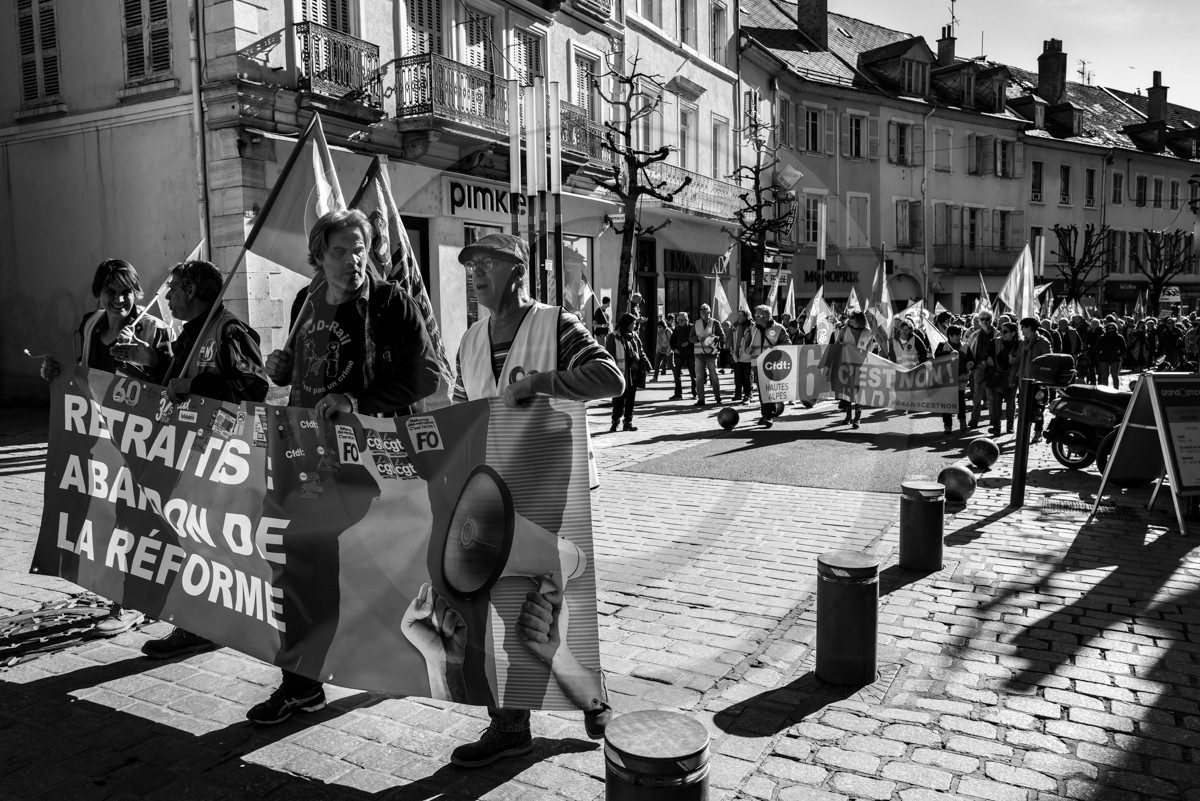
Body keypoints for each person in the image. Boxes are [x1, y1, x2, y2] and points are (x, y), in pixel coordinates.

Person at [253, 209, 441, 725]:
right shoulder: (305, 303)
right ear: (318, 255)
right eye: (341, 250)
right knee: (300, 562)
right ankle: (306, 680)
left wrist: (356, 401)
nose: (354, 259)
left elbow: (426, 375)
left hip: (368, 463)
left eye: (360, 248)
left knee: (316, 561)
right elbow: (300, 370)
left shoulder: (389, 305)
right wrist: (281, 368)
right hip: (305, 456)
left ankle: (313, 677)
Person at [450, 233, 622, 767]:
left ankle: (589, 699)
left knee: (550, 608)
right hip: (492, 496)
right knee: (504, 612)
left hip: (553, 489)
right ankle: (510, 723)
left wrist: (543, 383)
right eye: (471, 266)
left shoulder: (555, 323)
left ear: (516, 271)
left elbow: (610, 377)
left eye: (487, 265)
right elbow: (460, 411)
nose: (476, 275)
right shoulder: (470, 339)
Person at [120, 259, 269, 658]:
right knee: (187, 540)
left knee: (211, 546)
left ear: (191, 290)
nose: (166, 297)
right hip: (191, 458)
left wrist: (195, 384)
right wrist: (152, 369)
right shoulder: (189, 335)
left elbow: (253, 388)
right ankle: (196, 623)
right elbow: (174, 389)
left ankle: (210, 623)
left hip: (224, 462)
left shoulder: (229, 331)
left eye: (172, 288)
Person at [40, 258, 171, 636]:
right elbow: (81, 376)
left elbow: (174, 380)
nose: (120, 299)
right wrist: (54, 371)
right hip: (100, 442)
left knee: (137, 519)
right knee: (108, 515)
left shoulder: (153, 328)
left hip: (144, 445)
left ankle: (131, 603)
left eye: (127, 290)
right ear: (99, 294)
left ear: (138, 292)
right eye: (111, 291)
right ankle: (128, 593)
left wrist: (148, 359)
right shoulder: (89, 325)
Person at [744, 304, 789, 427]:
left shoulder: (779, 328)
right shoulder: (752, 329)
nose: (755, 317)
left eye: (758, 315)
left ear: (766, 317)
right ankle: (765, 414)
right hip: (757, 364)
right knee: (763, 390)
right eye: (755, 315)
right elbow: (746, 344)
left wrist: (775, 349)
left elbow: (788, 344)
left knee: (769, 390)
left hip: (772, 364)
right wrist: (746, 349)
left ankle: (769, 416)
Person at [607, 312, 650, 432]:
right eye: (633, 323)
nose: (635, 325)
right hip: (621, 373)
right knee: (619, 400)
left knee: (631, 399)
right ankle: (615, 421)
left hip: (634, 372)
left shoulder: (634, 335)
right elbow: (609, 356)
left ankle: (628, 422)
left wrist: (646, 362)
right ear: (627, 324)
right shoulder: (614, 336)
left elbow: (640, 350)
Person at [1014, 317, 1052, 442]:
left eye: (1023, 327)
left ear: (1029, 327)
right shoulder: (1022, 343)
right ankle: (1024, 432)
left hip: (1037, 381)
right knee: (1023, 407)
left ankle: (1038, 432)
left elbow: (1048, 361)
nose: (1021, 330)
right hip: (1023, 380)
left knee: (1037, 408)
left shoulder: (1043, 342)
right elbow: (1019, 361)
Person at [838, 311, 874, 429]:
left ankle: (857, 418)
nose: (850, 319)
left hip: (861, 366)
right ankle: (848, 416)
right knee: (847, 392)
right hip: (846, 365)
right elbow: (836, 344)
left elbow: (869, 350)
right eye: (850, 317)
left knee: (859, 392)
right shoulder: (843, 330)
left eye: (852, 317)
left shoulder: (867, 332)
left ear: (859, 319)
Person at [987, 322, 1020, 436]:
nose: (1002, 333)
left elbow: (1022, 359)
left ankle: (1010, 426)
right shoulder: (994, 342)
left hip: (1012, 376)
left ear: (1013, 333)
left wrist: (1016, 359)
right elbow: (987, 353)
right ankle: (996, 426)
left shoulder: (1019, 344)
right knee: (996, 403)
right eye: (1001, 330)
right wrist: (988, 358)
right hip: (997, 376)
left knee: (1011, 403)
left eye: (1005, 331)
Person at [936, 325, 969, 434]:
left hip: (961, 378)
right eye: (956, 335)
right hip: (947, 379)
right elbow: (937, 358)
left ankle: (962, 420)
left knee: (960, 400)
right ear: (949, 336)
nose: (959, 337)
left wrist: (971, 364)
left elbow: (971, 359)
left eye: (960, 334)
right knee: (946, 401)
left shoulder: (965, 347)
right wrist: (948, 354)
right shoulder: (942, 346)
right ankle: (947, 425)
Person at [690, 304, 724, 406]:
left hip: (711, 354)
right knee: (699, 377)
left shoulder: (715, 323)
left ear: (709, 311)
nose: (702, 311)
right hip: (699, 354)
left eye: (705, 309)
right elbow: (690, 338)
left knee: (714, 376)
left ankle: (717, 397)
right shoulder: (696, 323)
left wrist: (714, 338)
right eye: (701, 309)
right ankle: (701, 399)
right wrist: (697, 338)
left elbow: (723, 337)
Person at [967, 311, 996, 428]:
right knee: (977, 394)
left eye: (986, 319)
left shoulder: (997, 334)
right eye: (981, 319)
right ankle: (974, 419)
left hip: (992, 368)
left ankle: (994, 419)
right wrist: (972, 364)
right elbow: (969, 350)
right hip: (978, 366)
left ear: (991, 320)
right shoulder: (974, 335)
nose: (984, 321)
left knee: (991, 395)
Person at [669, 312, 695, 400]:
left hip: (690, 354)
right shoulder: (677, 329)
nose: (680, 322)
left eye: (682, 320)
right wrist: (674, 349)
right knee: (677, 374)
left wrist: (689, 342)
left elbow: (696, 339)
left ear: (687, 319)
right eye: (678, 320)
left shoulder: (692, 328)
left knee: (693, 374)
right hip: (679, 354)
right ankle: (678, 393)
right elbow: (672, 341)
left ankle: (695, 393)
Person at [730, 310, 754, 403]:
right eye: (738, 316)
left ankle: (748, 395)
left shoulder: (752, 326)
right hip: (738, 355)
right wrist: (733, 351)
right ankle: (744, 394)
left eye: (741, 316)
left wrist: (751, 349)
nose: (738, 318)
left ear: (746, 316)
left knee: (746, 376)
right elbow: (734, 340)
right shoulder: (735, 326)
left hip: (748, 356)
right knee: (740, 376)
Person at [1096, 320, 1125, 388]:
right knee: (1105, 376)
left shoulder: (1119, 337)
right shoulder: (1102, 337)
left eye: (1112, 328)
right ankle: (1105, 390)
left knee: (1115, 376)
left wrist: (1118, 355)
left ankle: (1116, 390)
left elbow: (1124, 348)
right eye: (1109, 328)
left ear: (1115, 329)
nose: (1111, 330)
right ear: (1106, 329)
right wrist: (1100, 355)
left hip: (1115, 359)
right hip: (1104, 359)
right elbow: (1097, 348)